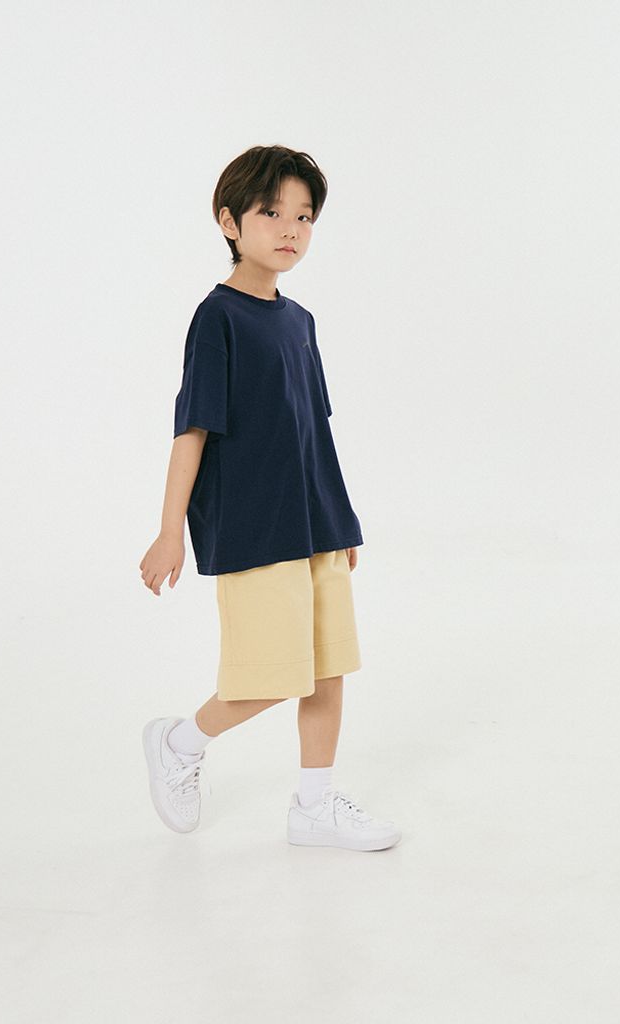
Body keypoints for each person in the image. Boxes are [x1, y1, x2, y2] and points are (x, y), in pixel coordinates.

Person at [138, 145, 400, 852]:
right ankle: (179, 742)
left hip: (316, 523)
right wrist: (169, 530)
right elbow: (193, 429)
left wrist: (340, 519)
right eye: (272, 213)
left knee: (327, 668)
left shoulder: (300, 321)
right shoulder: (217, 318)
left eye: (304, 217)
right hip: (255, 526)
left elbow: (313, 429)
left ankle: (314, 806)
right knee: (273, 673)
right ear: (229, 222)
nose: (291, 229)